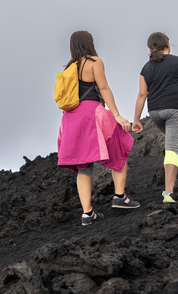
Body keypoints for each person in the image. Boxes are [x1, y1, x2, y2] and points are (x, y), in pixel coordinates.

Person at [57, 30, 140, 226]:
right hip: (91, 112)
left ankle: (87, 214)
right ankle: (120, 197)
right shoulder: (94, 62)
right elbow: (103, 88)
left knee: (83, 166)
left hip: (69, 119)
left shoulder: (69, 68)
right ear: (89, 42)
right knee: (120, 143)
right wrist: (117, 115)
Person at [132, 32, 178, 203]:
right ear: (167, 44)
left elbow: (142, 95)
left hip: (155, 113)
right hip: (175, 110)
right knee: (172, 148)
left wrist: (137, 119)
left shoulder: (145, 68)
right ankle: (168, 193)